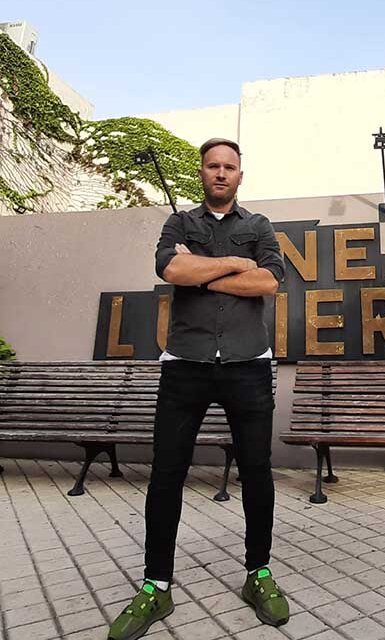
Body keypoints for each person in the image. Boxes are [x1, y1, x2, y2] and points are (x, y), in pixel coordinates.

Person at [108, 138, 288, 640]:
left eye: (230, 166)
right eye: (213, 165)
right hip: (185, 365)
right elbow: (170, 269)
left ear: (240, 174)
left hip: (248, 365)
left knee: (257, 473)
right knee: (167, 475)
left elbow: (269, 284)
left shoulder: (259, 226)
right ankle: (155, 586)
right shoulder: (179, 224)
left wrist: (202, 273)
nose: (221, 173)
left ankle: (259, 574)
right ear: (202, 172)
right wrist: (236, 266)